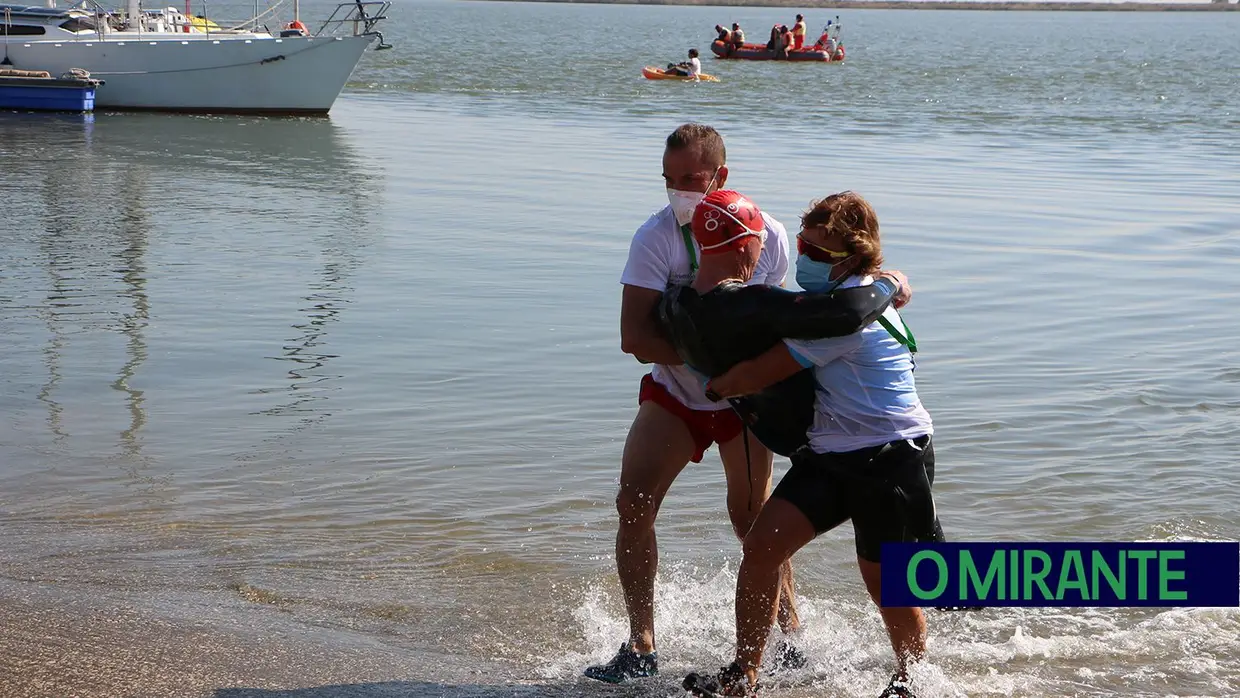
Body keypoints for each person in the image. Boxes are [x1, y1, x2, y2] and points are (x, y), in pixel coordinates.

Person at [681, 191, 943, 698]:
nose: (805, 259)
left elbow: (757, 373)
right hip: (831, 453)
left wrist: (713, 382)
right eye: (804, 246)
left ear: (854, 256)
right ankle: (744, 674)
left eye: (820, 254)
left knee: (881, 579)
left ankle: (913, 679)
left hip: (890, 456)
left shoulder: (842, 318)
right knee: (761, 547)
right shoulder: (841, 303)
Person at [583, 124, 803, 685]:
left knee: (753, 518)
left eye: (692, 180)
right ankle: (641, 645)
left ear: (720, 178)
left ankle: (790, 637)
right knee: (633, 503)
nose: (679, 191)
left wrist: (742, 382)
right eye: (670, 180)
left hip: (745, 399)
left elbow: (779, 332)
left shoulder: (769, 235)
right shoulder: (655, 237)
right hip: (677, 393)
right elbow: (635, 339)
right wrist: (704, 365)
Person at [655, 189, 912, 463]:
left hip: (873, 447)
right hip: (835, 445)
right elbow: (846, 313)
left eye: (813, 252)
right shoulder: (777, 306)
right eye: (804, 247)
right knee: (761, 507)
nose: (765, 248)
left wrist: (715, 386)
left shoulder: (673, 303)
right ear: (745, 245)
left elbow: (643, 350)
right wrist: (891, 282)